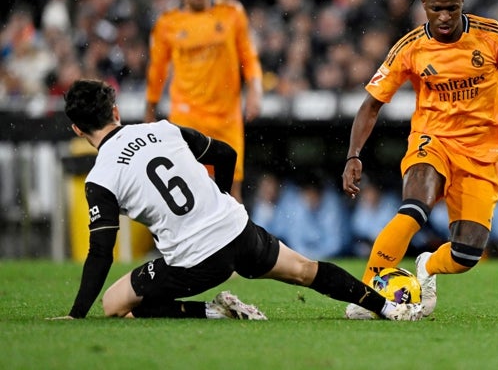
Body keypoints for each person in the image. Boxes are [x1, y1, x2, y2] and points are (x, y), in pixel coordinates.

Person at [50, 79, 422, 321]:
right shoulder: (161, 129)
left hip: (194, 261)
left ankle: (215, 312)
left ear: (78, 129)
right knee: (306, 270)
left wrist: (76, 314)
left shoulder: (100, 177)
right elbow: (225, 153)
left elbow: (101, 252)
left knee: (117, 305)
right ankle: (387, 307)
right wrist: (223, 197)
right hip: (237, 229)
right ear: (116, 112)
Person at [341, 0, 498, 319]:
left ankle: (428, 266)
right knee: (415, 208)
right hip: (433, 140)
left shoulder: (493, 36)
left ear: (462, 3)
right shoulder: (411, 47)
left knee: (466, 256)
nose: (444, 16)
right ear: (424, 6)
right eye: (436, 9)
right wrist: (354, 155)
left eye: (452, 8)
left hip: (482, 153)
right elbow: (371, 105)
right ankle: (367, 292)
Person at [144, 0, 263, 203]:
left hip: (226, 116)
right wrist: (150, 107)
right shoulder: (168, 23)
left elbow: (249, 57)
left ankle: (234, 242)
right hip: (188, 115)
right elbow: (157, 69)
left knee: (232, 190)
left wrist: (255, 90)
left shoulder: (232, 14)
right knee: (188, 186)